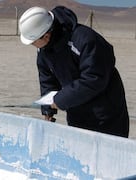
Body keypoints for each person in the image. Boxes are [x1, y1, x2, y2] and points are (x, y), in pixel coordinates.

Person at [18, 6, 129, 137]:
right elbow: (47, 79)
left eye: (33, 42)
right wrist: (48, 110)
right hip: (76, 112)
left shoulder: (87, 41)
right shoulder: (44, 50)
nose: (33, 46)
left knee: (110, 154)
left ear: (46, 36)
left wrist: (60, 100)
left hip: (105, 114)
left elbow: (94, 79)